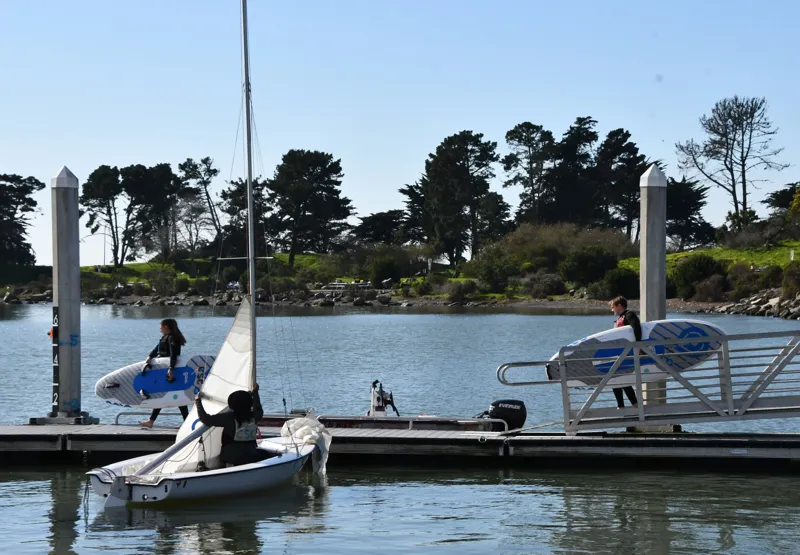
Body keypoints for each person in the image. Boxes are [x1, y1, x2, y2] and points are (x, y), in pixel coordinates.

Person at [195, 383, 269, 467]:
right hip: (251, 456)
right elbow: (257, 407)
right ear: (249, 403)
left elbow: (205, 419)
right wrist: (255, 392)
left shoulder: (228, 418)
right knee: (265, 454)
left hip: (231, 458)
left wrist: (198, 401)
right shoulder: (255, 416)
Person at [138, 318, 189, 428]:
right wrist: (150, 357)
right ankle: (151, 421)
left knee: (164, 394)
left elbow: (173, 355)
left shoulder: (172, 338)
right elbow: (157, 349)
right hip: (163, 369)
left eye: (161, 326)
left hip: (169, 370)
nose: (160, 329)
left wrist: (171, 369)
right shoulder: (166, 337)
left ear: (166, 326)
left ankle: (152, 421)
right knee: (162, 394)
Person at [610, 296, 640, 409]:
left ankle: (623, 406)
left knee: (614, 378)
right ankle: (633, 405)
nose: (612, 310)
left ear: (619, 306)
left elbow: (637, 328)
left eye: (613, 307)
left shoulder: (629, 315)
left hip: (628, 353)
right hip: (621, 354)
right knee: (619, 378)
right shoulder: (621, 318)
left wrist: (637, 346)